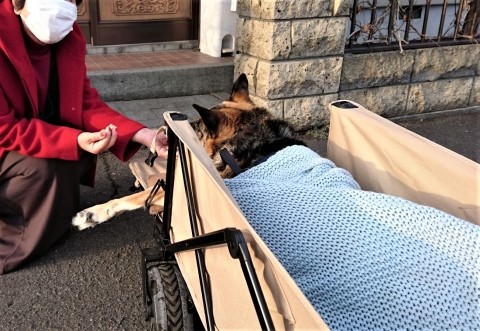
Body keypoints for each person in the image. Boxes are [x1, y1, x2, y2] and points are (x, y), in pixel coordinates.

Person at [0, 0, 168, 274]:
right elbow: (4, 128)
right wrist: (72, 140)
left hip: (26, 138)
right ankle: (14, 241)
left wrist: (143, 134)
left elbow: (84, 100)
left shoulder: (68, 39)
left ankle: (51, 217)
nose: (60, 5)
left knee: (70, 149)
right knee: (47, 162)